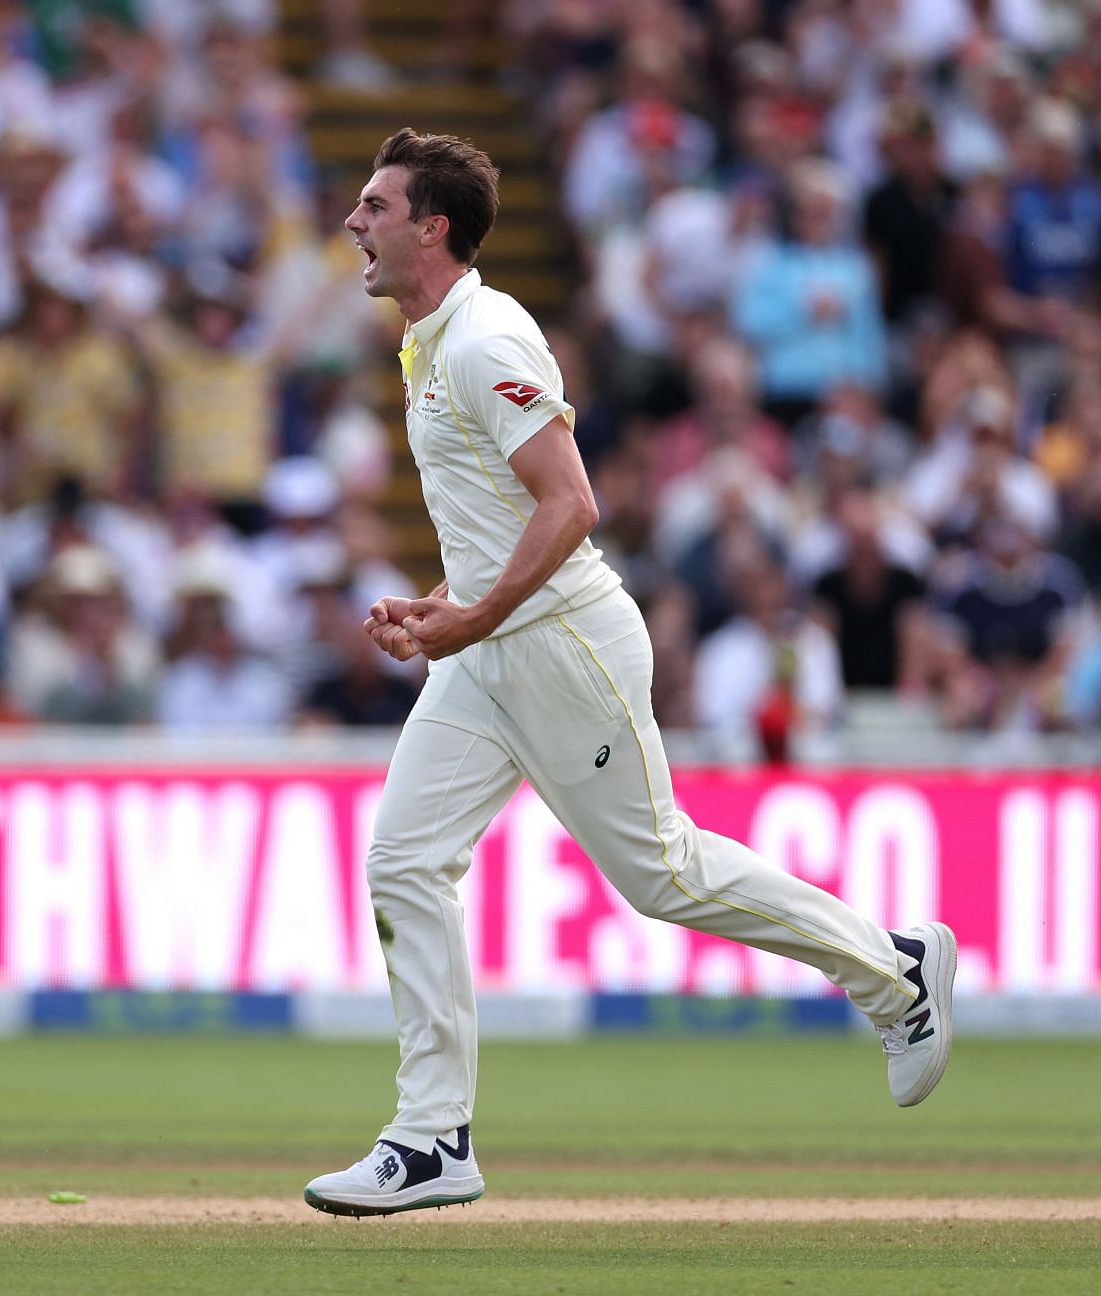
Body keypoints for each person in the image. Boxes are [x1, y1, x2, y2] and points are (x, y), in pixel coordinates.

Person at [305, 129, 956, 1219]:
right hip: (492, 649)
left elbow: (574, 506)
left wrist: (479, 615)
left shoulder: (484, 338)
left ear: (434, 227)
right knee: (405, 863)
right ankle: (431, 1139)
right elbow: (500, 519)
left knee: (665, 876)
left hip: (561, 643)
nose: (353, 223)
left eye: (375, 206)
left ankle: (893, 971)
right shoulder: (425, 343)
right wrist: (447, 603)